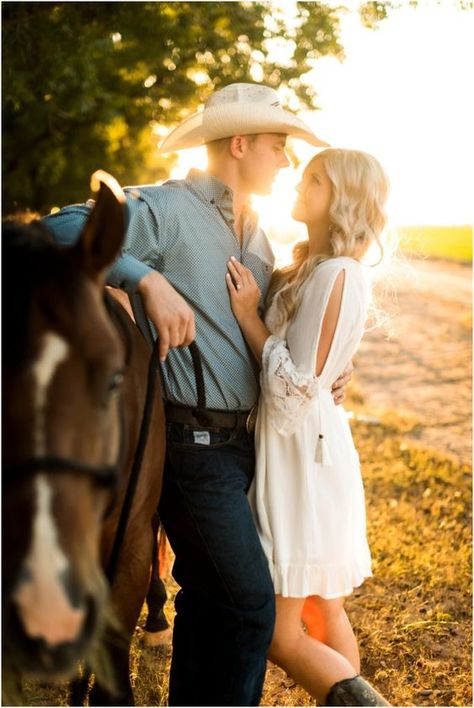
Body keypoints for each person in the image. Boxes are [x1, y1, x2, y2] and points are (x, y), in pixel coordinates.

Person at [43, 83, 352, 706]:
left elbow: (267, 339)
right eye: (277, 146)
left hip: (253, 447)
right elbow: (61, 229)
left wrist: (323, 369)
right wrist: (145, 276)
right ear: (239, 145)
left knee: (214, 606)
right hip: (189, 441)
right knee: (247, 605)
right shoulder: (170, 208)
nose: (286, 161)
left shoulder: (260, 241)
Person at [225, 147, 391, 706]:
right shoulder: (311, 267)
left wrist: (249, 316)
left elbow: (294, 391)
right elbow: (313, 369)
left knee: (279, 631)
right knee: (323, 607)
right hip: (301, 447)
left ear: (341, 198)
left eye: (315, 180)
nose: (300, 184)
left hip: (304, 458)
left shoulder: (340, 273)